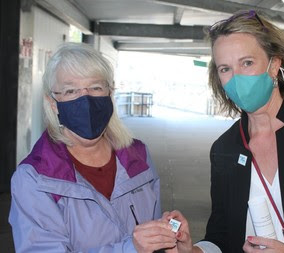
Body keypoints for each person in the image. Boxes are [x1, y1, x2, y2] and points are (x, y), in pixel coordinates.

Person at [168, 9, 284, 253]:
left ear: (274, 65)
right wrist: (192, 251)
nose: (236, 78)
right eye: (225, 69)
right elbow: (221, 235)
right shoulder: (225, 148)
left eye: (247, 63)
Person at [9, 42, 177, 252]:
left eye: (96, 87)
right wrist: (129, 249)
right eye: (71, 90)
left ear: (110, 93)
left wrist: (169, 237)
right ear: (53, 103)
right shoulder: (34, 178)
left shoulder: (138, 156)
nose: (85, 99)